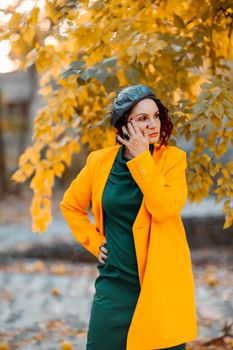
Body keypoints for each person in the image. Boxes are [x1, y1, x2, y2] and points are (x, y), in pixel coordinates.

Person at [60, 84, 198, 350]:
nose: (153, 124)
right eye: (142, 118)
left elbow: (163, 208)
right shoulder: (99, 162)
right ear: (124, 124)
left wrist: (141, 158)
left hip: (160, 288)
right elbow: (70, 206)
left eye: (156, 116)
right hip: (114, 286)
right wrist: (93, 240)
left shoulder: (172, 160)